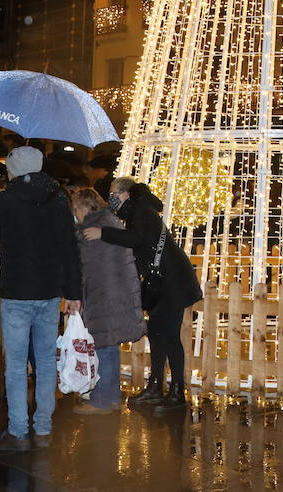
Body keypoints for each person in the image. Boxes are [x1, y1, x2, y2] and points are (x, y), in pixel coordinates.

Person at [0, 146, 82, 451]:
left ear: (14, 169)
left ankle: (17, 429)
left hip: (16, 292)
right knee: (43, 360)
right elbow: (70, 248)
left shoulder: (5, 199)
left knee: (15, 363)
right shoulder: (59, 201)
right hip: (50, 291)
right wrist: (74, 293)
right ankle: (43, 425)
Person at [85, 176, 200, 412]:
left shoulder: (141, 211)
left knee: (167, 335)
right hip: (165, 282)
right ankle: (156, 386)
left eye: (115, 193)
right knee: (158, 334)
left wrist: (102, 233)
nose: (112, 198)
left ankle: (176, 391)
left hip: (172, 283)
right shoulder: (138, 211)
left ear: (127, 194)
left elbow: (137, 239)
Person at [70, 188, 147, 414]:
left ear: (85, 207)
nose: (75, 213)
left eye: (75, 209)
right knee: (109, 346)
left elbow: (84, 265)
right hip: (117, 293)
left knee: (102, 346)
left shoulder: (92, 230)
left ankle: (102, 400)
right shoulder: (110, 221)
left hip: (102, 294)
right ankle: (111, 396)